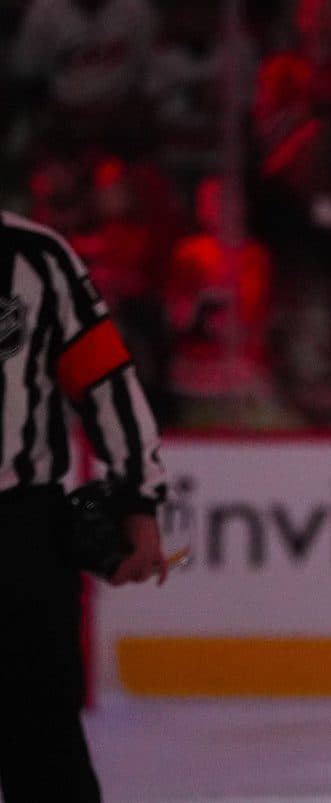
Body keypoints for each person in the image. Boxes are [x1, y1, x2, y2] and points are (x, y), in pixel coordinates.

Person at [0, 210, 170, 802]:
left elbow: (106, 383)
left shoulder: (36, 257)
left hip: (17, 536)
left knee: (44, 746)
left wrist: (138, 501)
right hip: (21, 531)